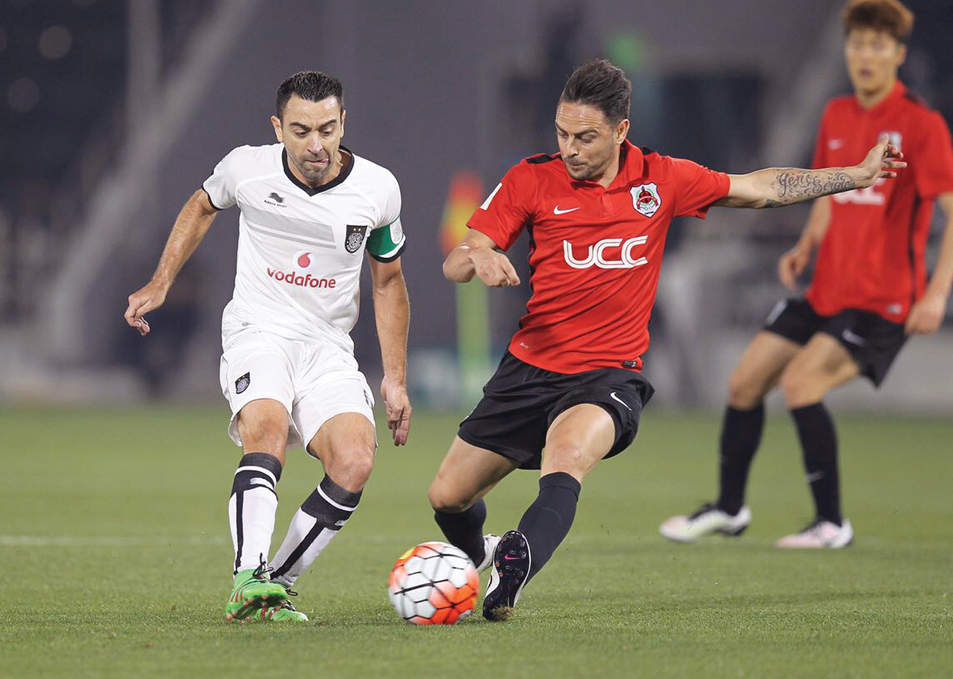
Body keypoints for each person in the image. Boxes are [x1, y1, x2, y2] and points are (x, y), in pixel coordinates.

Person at [427, 58, 904, 622]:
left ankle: (515, 567)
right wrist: (480, 255)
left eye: (585, 137)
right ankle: (477, 551)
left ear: (621, 129)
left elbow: (759, 188)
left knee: (569, 453)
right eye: (562, 133)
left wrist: (853, 175)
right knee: (448, 496)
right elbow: (458, 259)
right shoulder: (532, 177)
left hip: (607, 374)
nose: (571, 148)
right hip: (528, 369)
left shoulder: (662, 178)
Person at [661, 0, 953, 549]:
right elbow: (827, 188)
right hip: (825, 290)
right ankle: (729, 508)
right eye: (857, 44)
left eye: (877, 45)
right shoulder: (838, 114)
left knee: (801, 384)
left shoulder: (922, 125)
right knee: (745, 383)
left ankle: (831, 523)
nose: (865, 55)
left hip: (882, 300)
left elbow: (950, 213)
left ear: (899, 54)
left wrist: (937, 293)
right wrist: (805, 244)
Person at [123, 71, 412, 622]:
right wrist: (163, 281)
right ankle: (248, 575)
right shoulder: (247, 168)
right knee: (267, 430)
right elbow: (203, 205)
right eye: (301, 130)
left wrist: (394, 377)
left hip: (329, 346)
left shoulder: (379, 190)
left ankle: (273, 584)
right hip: (259, 330)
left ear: (343, 122)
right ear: (278, 128)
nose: (316, 145)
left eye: (327, 128)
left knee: (353, 460)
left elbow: (388, 281)